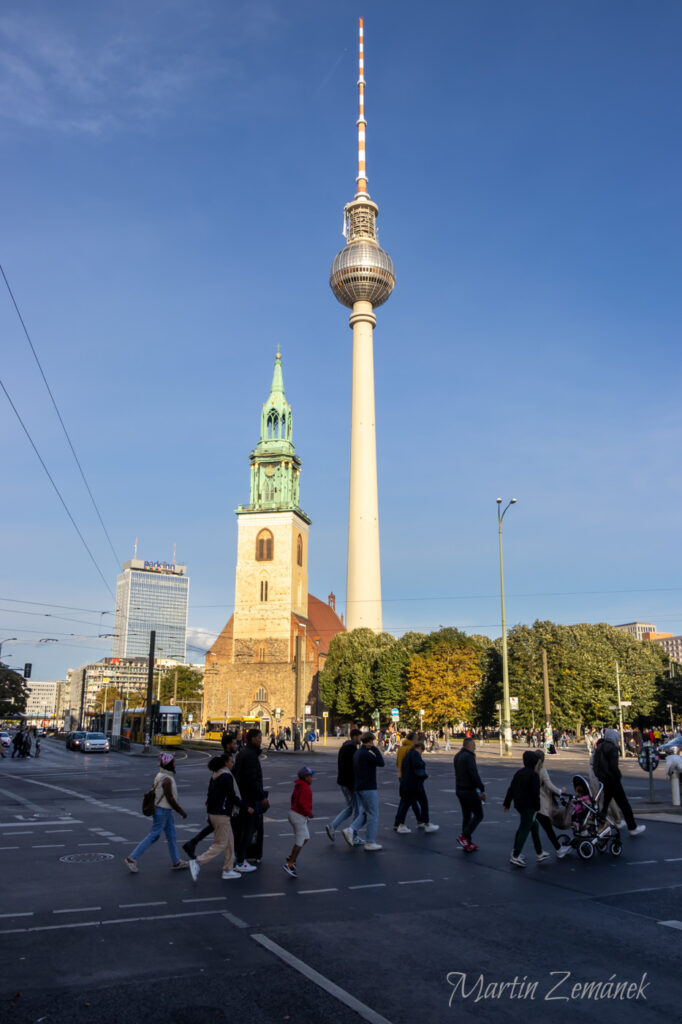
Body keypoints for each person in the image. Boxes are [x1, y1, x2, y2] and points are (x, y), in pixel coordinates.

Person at [189, 753, 250, 882]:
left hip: (213, 812)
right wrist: (246, 807)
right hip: (221, 814)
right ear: (225, 763)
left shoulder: (215, 775)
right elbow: (232, 797)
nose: (232, 764)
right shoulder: (226, 776)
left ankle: (228, 870)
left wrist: (209, 813)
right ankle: (198, 862)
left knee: (229, 842)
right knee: (221, 843)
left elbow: (209, 795)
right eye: (231, 762)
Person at [125, 753, 189, 873]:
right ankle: (132, 858)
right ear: (169, 764)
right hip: (163, 810)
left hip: (164, 810)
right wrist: (181, 811)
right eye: (173, 762)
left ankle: (176, 861)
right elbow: (170, 799)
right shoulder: (167, 780)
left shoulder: (160, 775)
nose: (175, 764)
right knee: (154, 835)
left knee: (171, 836)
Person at [592, 728, 645, 837]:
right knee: (624, 804)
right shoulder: (612, 748)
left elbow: (595, 765)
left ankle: (599, 825)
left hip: (603, 779)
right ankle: (632, 827)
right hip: (613, 780)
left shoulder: (599, 747)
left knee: (605, 804)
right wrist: (618, 776)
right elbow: (613, 766)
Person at [232, 728, 270, 872]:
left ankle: (239, 858)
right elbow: (252, 780)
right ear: (253, 739)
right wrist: (262, 798)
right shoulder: (250, 755)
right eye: (259, 737)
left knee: (247, 829)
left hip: (245, 797)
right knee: (249, 829)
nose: (261, 740)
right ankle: (241, 861)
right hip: (249, 798)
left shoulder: (244, 753)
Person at [503, 750, 548, 868]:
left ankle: (539, 852)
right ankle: (516, 855)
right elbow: (535, 794)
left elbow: (511, 788)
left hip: (519, 804)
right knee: (525, 828)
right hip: (529, 806)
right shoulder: (533, 775)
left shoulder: (519, 773)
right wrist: (537, 807)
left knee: (533, 825)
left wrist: (507, 803)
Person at [343, 732, 384, 852]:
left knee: (366, 813)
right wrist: (375, 750)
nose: (373, 743)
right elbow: (381, 763)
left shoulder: (357, 753)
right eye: (373, 741)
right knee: (373, 814)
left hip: (359, 787)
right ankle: (370, 842)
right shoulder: (366, 754)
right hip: (368, 787)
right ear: (370, 741)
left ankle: (351, 830)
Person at [326, 728, 362, 843]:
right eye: (360, 737)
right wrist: (352, 785)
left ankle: (333, 826)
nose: (360, 739)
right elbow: (351, 768)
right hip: (350, 783)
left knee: (351, 808)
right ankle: (353, 835)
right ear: (355, 736)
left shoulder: (344, 747)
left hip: (343, 782)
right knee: (357, 810)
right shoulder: (351, 749)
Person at [397, 740, 439, 833]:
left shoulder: (407, 755)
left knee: (406, 805)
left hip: (407, 784)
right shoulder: (415, 754)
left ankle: (401, 825)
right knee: (423, 803)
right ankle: (426, 823)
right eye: (422, 751)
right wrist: (423, 764)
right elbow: (418, 764)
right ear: (419, 748)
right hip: (415, 784)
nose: (421, 753)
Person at [534, 750, 569, 858]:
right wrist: (560, 791)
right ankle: (558, 849)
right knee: (547, 827)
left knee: (532, 828)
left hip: (532, 802)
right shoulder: (542, 770)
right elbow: (549, 785)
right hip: (541, 802)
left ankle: (537, 851)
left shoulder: (531, 769)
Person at [454, 737, 486, 852]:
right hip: (469, 790)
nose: (475, 747)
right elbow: (474, 775)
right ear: (468, 745)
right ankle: (464, 836)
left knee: (466, 816)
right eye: (473, 745)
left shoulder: (458, 756)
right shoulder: (469, 757)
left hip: (459, 789)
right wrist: (481, 789)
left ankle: (467, 842)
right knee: (478, 815)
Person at [283, 765, 315, 877]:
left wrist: (294, 807)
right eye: (310, 776)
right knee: (300, 840)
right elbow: (301, 803)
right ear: (305, 777)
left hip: (295, 813)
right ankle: (290, 863)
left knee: (306, 837)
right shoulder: (305, 787)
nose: (312, 778)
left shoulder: (299, 785)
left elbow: (293, 798)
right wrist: (309, 814)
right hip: (298, 816)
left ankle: (291, 857)